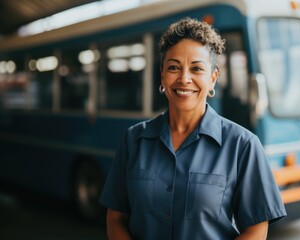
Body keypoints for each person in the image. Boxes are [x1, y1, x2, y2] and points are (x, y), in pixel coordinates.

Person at [99, 17, 286, 240]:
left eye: (197, 68)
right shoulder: (133, 140)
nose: (184, 78)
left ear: (213, 79)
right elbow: (116, 217)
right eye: (174, 67)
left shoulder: (243, 145)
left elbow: (256, 229)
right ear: (162, 75)